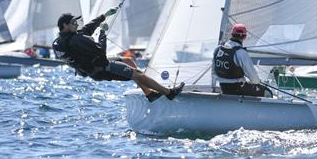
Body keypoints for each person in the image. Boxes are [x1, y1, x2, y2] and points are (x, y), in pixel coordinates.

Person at [52, 11, 183, 102]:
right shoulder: (76, 40)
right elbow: (101, 52)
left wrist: (103, 17)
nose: (76, 24)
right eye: (74, 22)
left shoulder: (61, 41)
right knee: (138, 74)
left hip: (93, 68)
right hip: (102, 68)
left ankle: (149, 93)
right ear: (65, 25)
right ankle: (169, 93)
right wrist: (103, 34)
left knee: (128, 61)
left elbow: (87, 29)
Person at [213, 24, 271, 98]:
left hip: (223, 88)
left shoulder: (217, 49)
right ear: (244, 37)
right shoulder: (241, 52)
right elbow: (254, 79)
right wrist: (257, 82)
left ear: (232, 35)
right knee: (267, 92)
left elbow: (214, 73)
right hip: (238, 89)